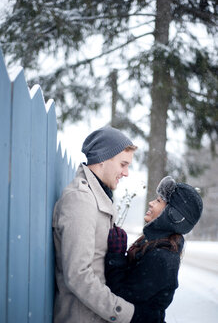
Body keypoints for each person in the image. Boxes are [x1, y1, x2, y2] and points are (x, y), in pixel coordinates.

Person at [52, 126, 137, 323]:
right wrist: (126, 313)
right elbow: (78, 275)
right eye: (123, 164)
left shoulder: (97, 196)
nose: (126, 173)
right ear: (103, 159)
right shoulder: (80, 200)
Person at [105, 176, 203, 323]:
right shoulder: (154, 244)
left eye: (158, 201)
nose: (151, 203)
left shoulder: (161, 257)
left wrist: (116, 256)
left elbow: (122, 297)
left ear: (173, 215)